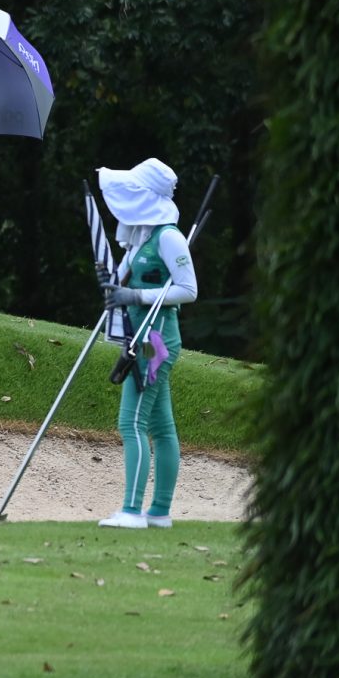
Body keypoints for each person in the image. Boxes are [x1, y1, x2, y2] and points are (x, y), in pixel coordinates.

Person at [95, 158, 198, 530]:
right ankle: (159, 513)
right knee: (162, 426)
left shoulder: (168, 237)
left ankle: (132, 511)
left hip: (155, 342)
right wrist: (115, 285)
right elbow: (125, 280)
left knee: (131, 422)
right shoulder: (140, 237)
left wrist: (136, 296)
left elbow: (188, 289)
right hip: (141, 335)